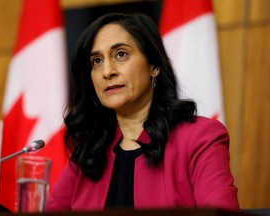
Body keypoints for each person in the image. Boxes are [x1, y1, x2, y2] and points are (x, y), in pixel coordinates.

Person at [46, 12, 239, 211]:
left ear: (154, 66)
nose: (107, 71)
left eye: (121, 54)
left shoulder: (201, 138)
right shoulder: (89, 154)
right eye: (97, 61)